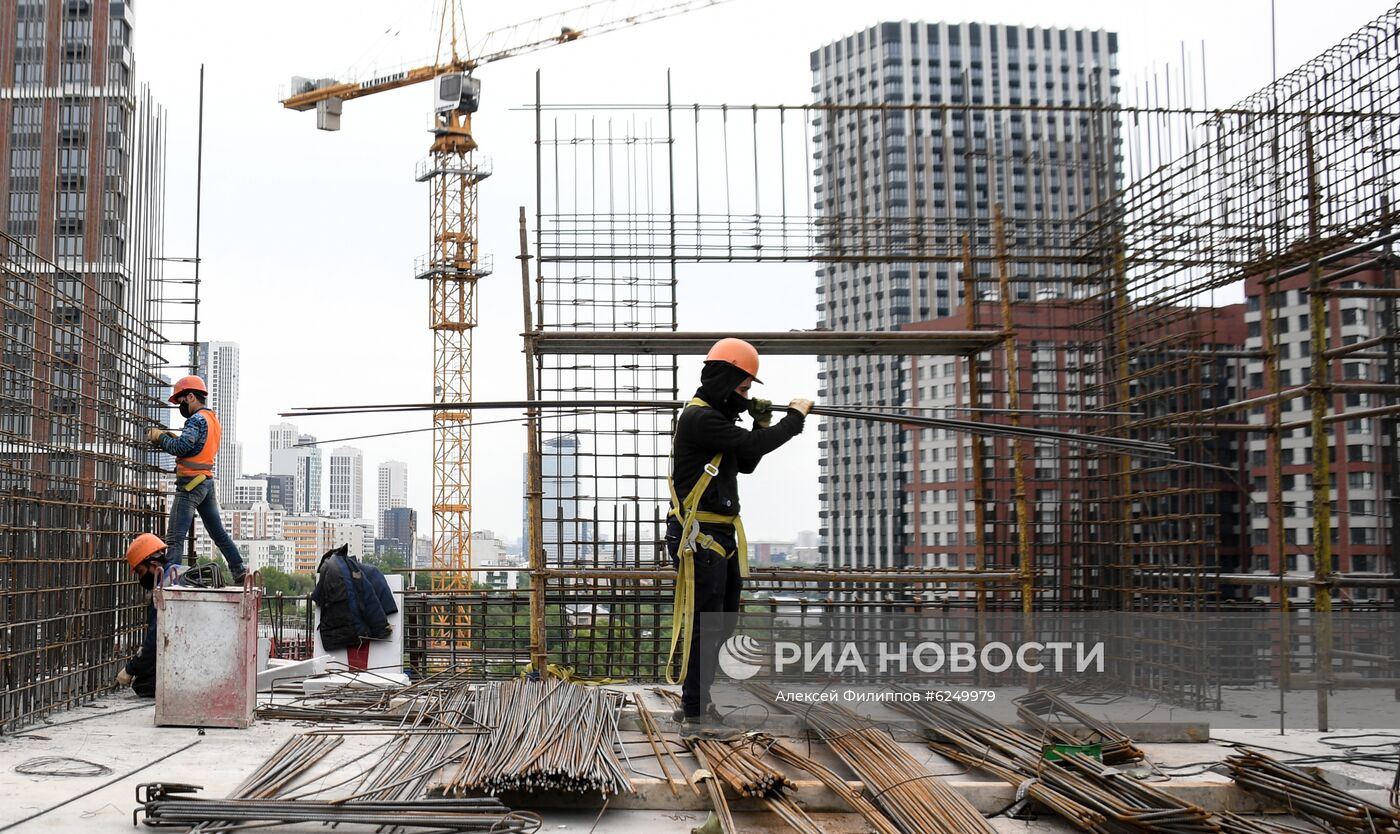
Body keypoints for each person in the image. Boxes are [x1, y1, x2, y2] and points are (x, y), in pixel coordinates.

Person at [665, 337, 812, 734]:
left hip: (719, 537)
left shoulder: (719, 420)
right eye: (743, 389)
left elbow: (745, 460)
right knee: (705, 624)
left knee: (722, 624)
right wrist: (792, 419)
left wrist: (760, 421)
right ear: (725, 379)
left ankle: (699, 701)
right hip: (702, 538)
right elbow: (750, 445)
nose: (745, 396)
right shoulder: (701, 419)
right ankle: (695, 708)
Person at [145, 375, 247, 582]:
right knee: (218, 534)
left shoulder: (196, 419)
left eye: (181, 400)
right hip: (206, 482)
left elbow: (182, 447)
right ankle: (239, 571)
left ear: (191, 396)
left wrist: (161, 437)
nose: (181, 406)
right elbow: (195, 447)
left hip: (191, 485)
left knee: (175, 537)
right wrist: (177, 439)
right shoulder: (212, 419)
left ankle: (169, 582)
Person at [115, 534, 181, 697]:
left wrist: (131, 668)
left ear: (153, 564)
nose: (141, 578)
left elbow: (155, 640)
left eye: (141, 572)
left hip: (181, 660)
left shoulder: (162, 591)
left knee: (143, 684)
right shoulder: (181, 572)